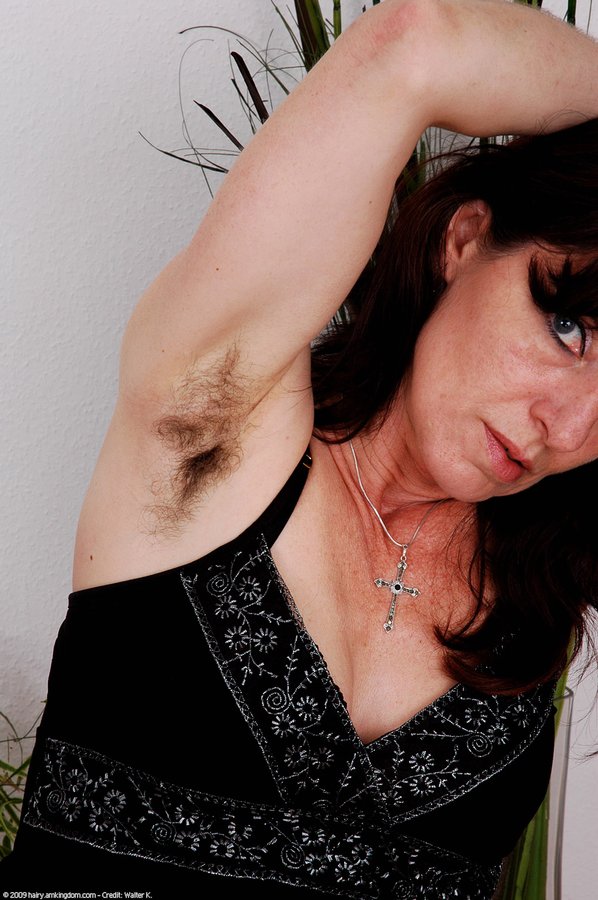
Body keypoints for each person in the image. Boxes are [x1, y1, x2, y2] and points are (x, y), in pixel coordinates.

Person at [3, 0, 598, 896]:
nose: (570, 426)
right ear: (463, 239)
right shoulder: (214, 421)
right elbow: (413, 44)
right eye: (568, 328)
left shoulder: (537, 596)